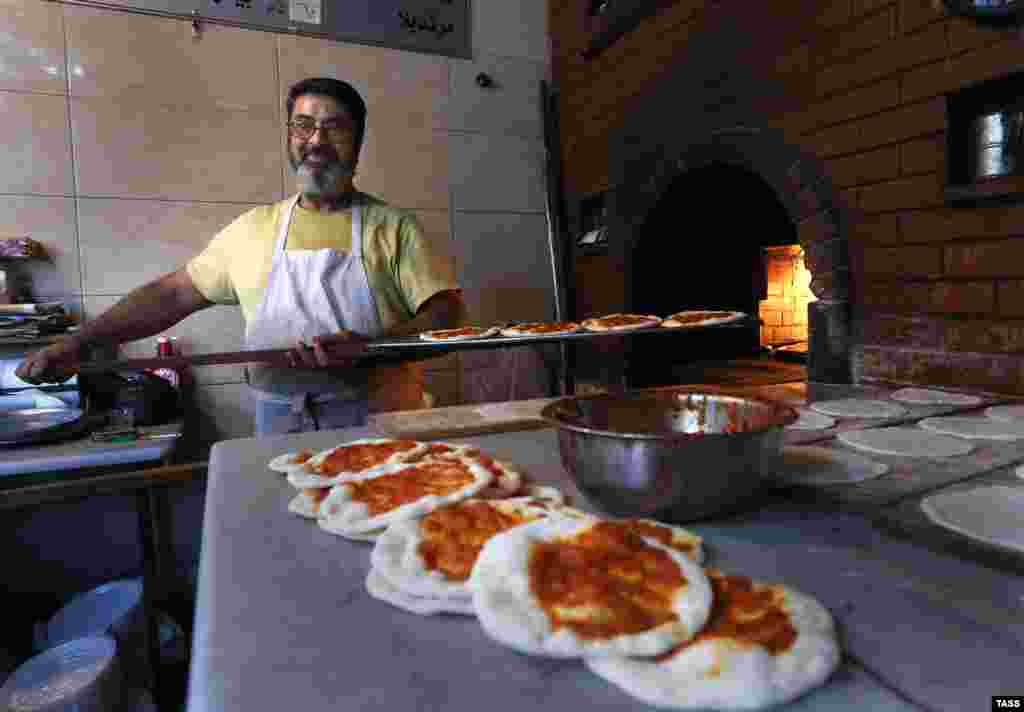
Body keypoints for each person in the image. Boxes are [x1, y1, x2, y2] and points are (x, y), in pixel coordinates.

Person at [17, 77, 466, 434]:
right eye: (303, 125)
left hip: (380, 425)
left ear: (358, 143)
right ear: (290, 137)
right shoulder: (253, 229)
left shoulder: (393, 228)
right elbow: (171, 295)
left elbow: (448, 315)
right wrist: (80, 341)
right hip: (280, 428)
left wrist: (371, 349)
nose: (317, 140)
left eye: (335, 126)